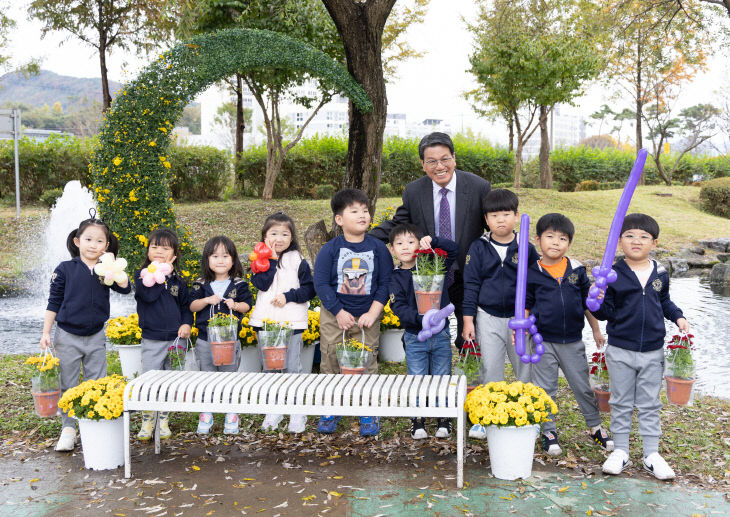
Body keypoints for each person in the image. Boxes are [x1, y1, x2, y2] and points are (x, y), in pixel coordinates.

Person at [370, 132, 491, 351]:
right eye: (432, 161)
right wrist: (364, 238)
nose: (440, 166)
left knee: (472, 339)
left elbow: (493, 223)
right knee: (422, 336)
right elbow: (400, 224)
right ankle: (424, 381)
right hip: (428, 276)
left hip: (468, 275)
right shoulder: (414, 191)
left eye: (445, 159)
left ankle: (473, 382)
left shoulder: (478, 187)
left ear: (454, 157)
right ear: (422, 164)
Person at [591, 214, 689, 481]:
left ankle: (651, 454)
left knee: (649, 403)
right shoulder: (612, 274)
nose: (637, 241)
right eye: (630, 235)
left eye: (644, 237)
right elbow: (605, 313)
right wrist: (596, 301)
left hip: (652, 351)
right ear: (619, 241)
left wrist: (678, 316)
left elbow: (665, 301)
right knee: (620, 401)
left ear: (654, 243)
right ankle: (620, 451)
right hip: (621, 349)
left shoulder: (660, 272)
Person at [41, 211, 131, 452]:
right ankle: (68, 428)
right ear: (77, 241)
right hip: (67, 336)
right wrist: (46, 332)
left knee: (96, 381)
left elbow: (125, 288)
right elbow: (53, 302)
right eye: (88, 239)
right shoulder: (65, 269)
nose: (94, 245)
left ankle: (93, 425)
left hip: (96, 336)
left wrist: (111, 265)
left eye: (100, 241)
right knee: (68, 382)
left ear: (107, 245)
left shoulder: (106, 271)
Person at [524, 213, 614, 456]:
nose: (556, 242)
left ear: (569, 244)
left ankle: (595, 426)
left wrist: (596, 329)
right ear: (537, 240)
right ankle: (548, 430)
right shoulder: (531, 271)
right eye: (550, 237)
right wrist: (521, 330)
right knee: (545, 387)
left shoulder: (577, 270)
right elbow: (526, 304)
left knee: (582, 386)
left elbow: (589, 304)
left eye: (562, 238)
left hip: (573, 340)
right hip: (542, 341)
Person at [313, 188, 393, 436]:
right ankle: (330, 406)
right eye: (354, 211)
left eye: (365, 210)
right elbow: (321, 283)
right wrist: (337, 311)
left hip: (368, 316)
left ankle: (368, 409)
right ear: (339, 219)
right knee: (330, 360)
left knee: (367, 361)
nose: (362, 215)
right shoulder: (330, 249)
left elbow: (384, 283)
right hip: (335, 316)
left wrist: (374, 312)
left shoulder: (378, 248)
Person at [461, 189, 539, 439]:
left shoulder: (526, 248)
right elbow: (470, 285)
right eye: (494, 215)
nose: (501, 220)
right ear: (486, 219)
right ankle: (485, 418)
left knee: (524, 370)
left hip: (519, 320)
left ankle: (528, 415)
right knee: (490, 369)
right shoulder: (479, 247)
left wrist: (528, 315)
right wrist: (468, 320)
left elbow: (536, 285)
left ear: (516, 215)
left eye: (506, 214)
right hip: (488, 316)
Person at [388, 223, 458, 439]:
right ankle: (417, 419)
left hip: (441, 335)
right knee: (417, 377)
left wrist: (434, 241)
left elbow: (454, 250)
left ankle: (443, 418)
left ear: (419, 245)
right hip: (414, 335)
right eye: (399, 244)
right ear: (392, 249)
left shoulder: (433, 265)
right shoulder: (395, 277)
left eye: (411, 242)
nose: (406, 247)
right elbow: (397, 306)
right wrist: (420, 319)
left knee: (442, 376)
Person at [249, 212, 315, 434]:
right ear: (264, 236)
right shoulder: (259, 261)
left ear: (292, 237)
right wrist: (272, 259)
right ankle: (273, 410)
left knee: (292, 367)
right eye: (274, 233)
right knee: (270, 369)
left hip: (292, 323)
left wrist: (289, 296)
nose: (279, 238)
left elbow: (309, 289)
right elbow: (262, 284)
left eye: (285, 234)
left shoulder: (298, 260)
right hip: (266, 324)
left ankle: (297, 412)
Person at [189, 236, 253, 435]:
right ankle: (206, 414)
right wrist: (207, 300)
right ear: (207, 260)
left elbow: (247, 305)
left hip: (229, 341)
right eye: (215, 256)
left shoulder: (239, 284)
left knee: (229, 376)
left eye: (225, 256)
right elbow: (192, 305)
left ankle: (231, 414)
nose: (220, 260)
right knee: (207, 376)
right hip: (205, 339)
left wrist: (235, 305)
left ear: (233, 260)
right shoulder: (200, 284)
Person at [134, 228, 193, 441]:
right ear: (148, 251)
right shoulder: (142, 277)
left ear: (174, 254)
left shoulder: (179, 281)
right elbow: (147, 296)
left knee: (171, 379)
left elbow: (186, 307)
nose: (159, 251)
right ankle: (148, 419)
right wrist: (158, 273)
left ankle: (164, 418)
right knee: (149, 379)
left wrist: (187, 323)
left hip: (177, 339)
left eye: (165, 248)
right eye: (154, 247)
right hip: (152, 338)